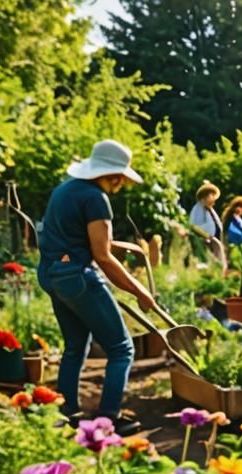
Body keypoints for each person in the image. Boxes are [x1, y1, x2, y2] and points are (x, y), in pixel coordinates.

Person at [37, 139, 157, 435]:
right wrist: (141, 292)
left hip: (53, 274)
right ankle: (109, 418)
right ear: (114, 174)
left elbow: (77, 239)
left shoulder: (64, 190)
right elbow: (101, 257)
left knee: (76, 347)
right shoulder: (96, 198)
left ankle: (67, 412)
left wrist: (120, 244)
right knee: (121, 348)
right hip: (78, 277)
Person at [189, 182, 227, 271]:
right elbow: (194, 226)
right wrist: (208, 236)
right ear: (205, 196)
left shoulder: (210, 209)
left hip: (214, 242)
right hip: (205, 243)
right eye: (211, 195)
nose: (213, 199)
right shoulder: (198, 208)